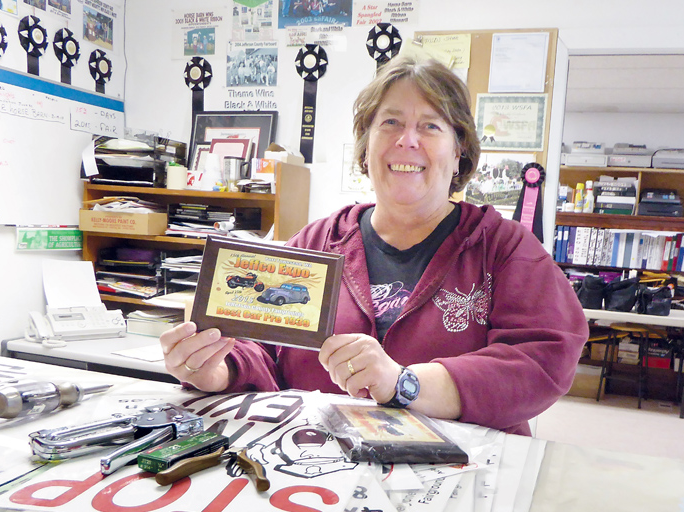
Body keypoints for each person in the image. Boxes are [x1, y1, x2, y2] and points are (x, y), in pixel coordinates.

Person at [160, 54, 589, 436]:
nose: (407, 140)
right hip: (321, 471)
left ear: (459, 151)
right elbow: (263, 350)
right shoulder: (317, 242)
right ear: (366, 148)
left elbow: (544, 359)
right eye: (391, 122)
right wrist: (215, 369)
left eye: (430, 126)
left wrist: (406, 383)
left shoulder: (503, 247)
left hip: (461, 481)